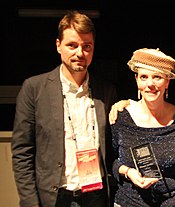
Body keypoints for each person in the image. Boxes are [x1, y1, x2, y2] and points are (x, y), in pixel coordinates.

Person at [11, 10, 117, 207]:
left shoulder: (106, 91)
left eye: (87, 47)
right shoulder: (34, 88)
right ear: (58, 45)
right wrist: (30, 202)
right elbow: (22, 152)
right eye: (72, 45)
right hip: (55, 197)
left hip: (96, 196)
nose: (80, 53)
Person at [110, 48, 175, 207]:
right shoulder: (121, 118)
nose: (150, 84)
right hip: (128, 203)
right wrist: (128, 172)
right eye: (144, 77)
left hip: (172, 203)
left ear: (167, 81)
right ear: (136, 80)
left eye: (157, 77)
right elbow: (110, 160)